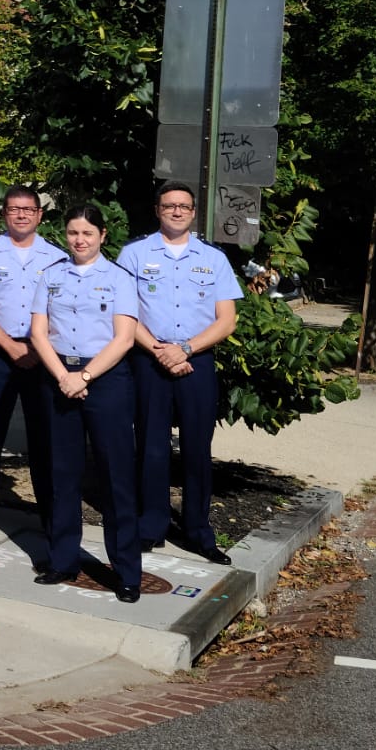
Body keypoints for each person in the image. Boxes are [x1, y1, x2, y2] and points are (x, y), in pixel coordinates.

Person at [119, 182, 241, 565]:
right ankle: (151, 525)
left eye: (183, 206)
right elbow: (123, 313)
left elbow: (227, 321)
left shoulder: (214, 259)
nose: (176, 211)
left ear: (192, 212)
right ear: (157, 210)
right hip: (148, 357)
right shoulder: (133, 254)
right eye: (169, 205)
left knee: (196, 449)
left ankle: (197, 531)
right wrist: (160, 350)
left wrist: (185, 349)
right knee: (152, 447)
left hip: (196, 360)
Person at [30, 204, 143, 601]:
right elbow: (39, 332)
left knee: (115, 478)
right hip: (59, 377)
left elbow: (124, 338)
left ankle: (127, 571)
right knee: (62, 475)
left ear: (102, 236)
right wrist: (63, 376)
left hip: (106, 381)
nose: (80, 240)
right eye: (74, 233)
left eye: (88, 234)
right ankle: (62, 560)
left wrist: (85, 376)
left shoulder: (119, 278)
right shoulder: (51, 276)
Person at [0, 184, 66, 541]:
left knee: (44, 436)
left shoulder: (56, 258)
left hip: (42, 356)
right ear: (4, 214)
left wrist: (38, 351)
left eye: (28, 209)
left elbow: (62, 311)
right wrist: (9, 347)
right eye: (14, 209)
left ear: (39, 215)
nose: (21, 214)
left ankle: (49, 509)